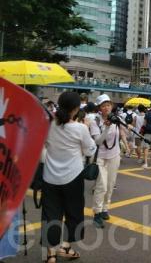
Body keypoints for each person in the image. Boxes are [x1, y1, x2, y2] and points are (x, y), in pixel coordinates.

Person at [41, 91, 97, 262]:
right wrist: (85, 127)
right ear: (75, 108)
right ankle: (66, 247)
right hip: (73, 177)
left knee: (51, 215)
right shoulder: (80, 128)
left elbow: (43, 145)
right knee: (73, 213)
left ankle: (51, 254)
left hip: (49, 176)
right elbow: (90, 150)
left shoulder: (48, 124)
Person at [89, 94, 123, 228]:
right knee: (101, 185)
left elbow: (120, 135)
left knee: (110, 184)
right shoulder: (95, 122)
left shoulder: (116, 119)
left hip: (114, 155)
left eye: (108, 105)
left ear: (112, 106)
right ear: (99, 108)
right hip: (100, 157)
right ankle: (97, 212)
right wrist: (107, 126)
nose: (106, 107)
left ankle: (105, 208)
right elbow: (98, 141)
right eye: (103, 106)